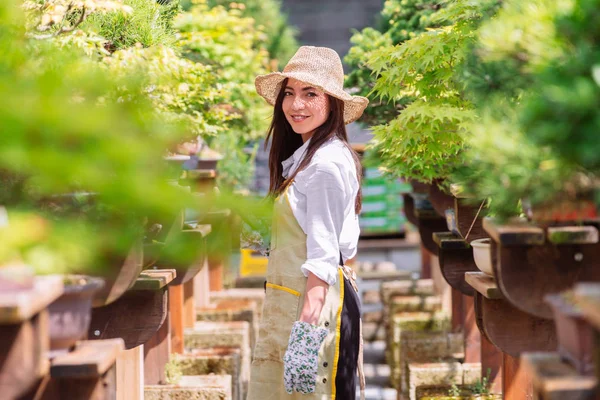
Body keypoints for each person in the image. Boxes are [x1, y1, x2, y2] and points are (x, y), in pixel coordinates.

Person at [246, 46, 369, 400]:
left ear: (332, 102)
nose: (295, 105)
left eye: (310, 93)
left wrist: (305, 337)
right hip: (295, 306)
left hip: (313, 311)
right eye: (289, 93)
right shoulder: (307, 158)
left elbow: (323, 257)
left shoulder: (324, 165)